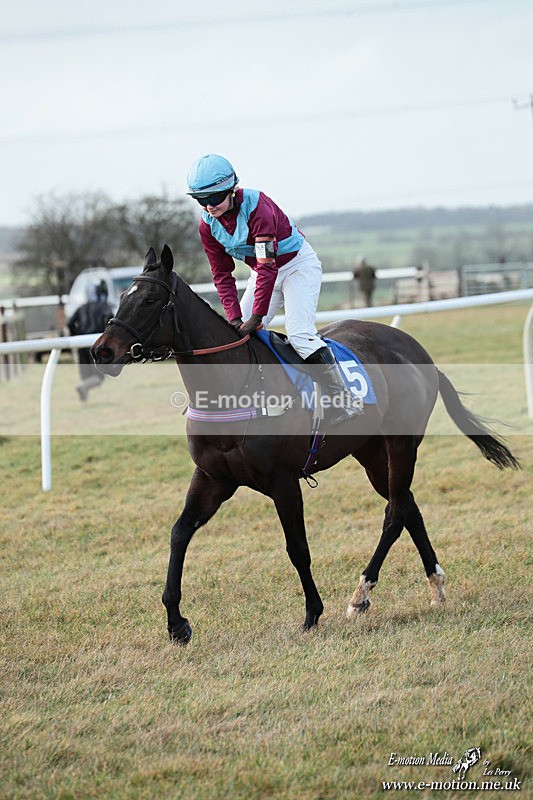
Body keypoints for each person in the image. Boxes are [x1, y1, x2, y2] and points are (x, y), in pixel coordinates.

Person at [186, 154, 361, 426]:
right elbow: (221, 274)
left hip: (296, 266)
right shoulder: (207, 225)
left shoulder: (259, 207)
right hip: (264, 272)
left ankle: (344, 398)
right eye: (201, 200)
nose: (209, 206)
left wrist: (256, 317)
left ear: (231, 190)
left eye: (214, 198)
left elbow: (268, 267)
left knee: (300, 334)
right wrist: (234, 318)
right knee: (233, 336)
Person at [67, 280, 113, 402]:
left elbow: (70, 323)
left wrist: (76, 336)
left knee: (86, 374)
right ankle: (82, 388)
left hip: (81, 344)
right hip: (96, 344)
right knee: (99, 376)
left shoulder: (81, 308)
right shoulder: (103, 306)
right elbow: (111, 320)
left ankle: (84, 399)